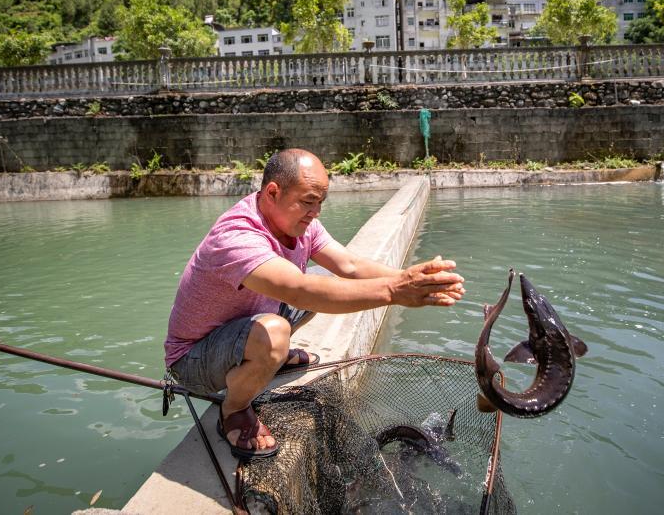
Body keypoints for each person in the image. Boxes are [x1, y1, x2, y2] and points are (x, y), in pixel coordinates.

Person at [164, 148, 465, 461]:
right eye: (308, 201)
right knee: (281, 326)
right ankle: (235, 410)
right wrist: (396, 291)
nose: (316, 211)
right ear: (272, 192)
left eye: (321, 202)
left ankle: (268, 357)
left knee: (320, 283)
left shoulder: (299, 223)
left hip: (240, 327)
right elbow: (298, 290)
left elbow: (348, 265)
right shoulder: (237, 236)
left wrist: (409, 277)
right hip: (193, 359)